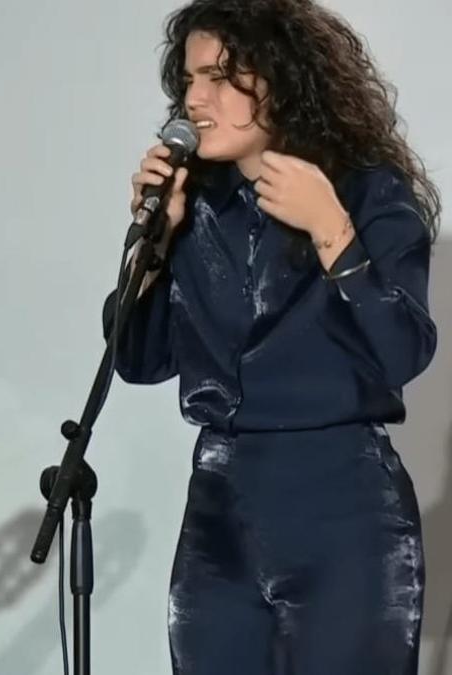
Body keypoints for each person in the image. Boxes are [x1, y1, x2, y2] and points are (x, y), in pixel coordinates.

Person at [112, 0, 441, 673]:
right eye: (188, 81)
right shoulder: (196, 207)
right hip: (220, 513)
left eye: (217, 77)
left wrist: (333, 233)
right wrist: (150, 244)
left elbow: (405, 352)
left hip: (342, 507)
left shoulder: (369, 194)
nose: (193, 101)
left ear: (283, 81)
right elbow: (137, 361)